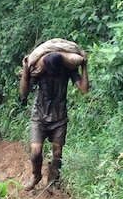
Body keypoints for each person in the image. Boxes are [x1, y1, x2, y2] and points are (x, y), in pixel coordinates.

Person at [19, 50, 88, 191]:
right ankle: (35, 175)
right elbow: (24, 92)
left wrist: (84, 66)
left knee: (57, 152)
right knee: (36, 151)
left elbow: (84, 89)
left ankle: (53, 182)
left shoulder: (67, 70)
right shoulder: (39, 70)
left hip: (59, 117)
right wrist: (26, 70)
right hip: (39, 116)